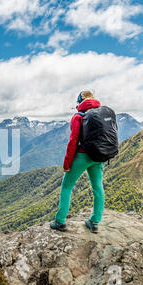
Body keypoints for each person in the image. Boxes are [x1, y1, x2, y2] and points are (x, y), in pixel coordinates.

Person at [50, 91, 105, 233]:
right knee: (98, 188)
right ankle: (94, 222)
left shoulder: (78, 117)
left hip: (82, 156)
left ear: (80, 101)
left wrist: (67, 163)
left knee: (67, 187)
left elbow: (73, 141)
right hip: (98, 157)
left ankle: (60, 221)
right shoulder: (102, 114)